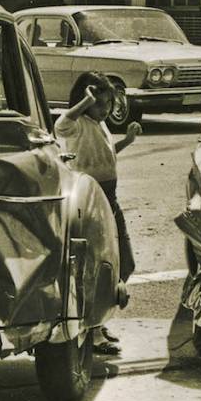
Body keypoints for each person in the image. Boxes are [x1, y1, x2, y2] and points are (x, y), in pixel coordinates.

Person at [54, 72, 141, 355]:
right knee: (96, 266)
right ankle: (92, 330)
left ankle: (99, 322)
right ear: (85, 100)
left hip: (110, 200)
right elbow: (61, 123)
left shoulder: (99, 125)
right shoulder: (76, 123)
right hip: (90, 202)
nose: (105, 110)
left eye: (108, 104)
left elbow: (105, 155)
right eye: (99, 104)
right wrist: (85, 102)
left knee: (123, 263)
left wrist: (126, 141)